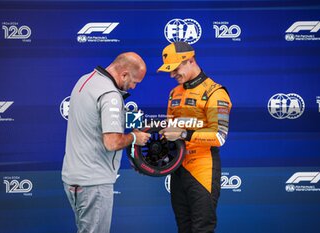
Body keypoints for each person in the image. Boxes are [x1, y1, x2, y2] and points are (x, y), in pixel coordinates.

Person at [62, 52, 151, 233]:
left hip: (73, 178)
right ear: (124, 74)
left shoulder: (85, 80)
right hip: (93, 183)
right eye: (134, 81)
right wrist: (135, 137)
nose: (133, 87)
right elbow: (111, 142)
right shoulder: (110, 94)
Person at [157, 42, 232, 233]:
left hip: (202, 169)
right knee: (184, 228)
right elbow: (170, 132)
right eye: (169, 71)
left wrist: (183, 133)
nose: (172, 75)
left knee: (202, 229)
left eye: (175, 69)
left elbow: (219, 136)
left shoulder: (216, 92)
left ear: (190, 60)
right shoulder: (174, 93)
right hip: (178, 169)